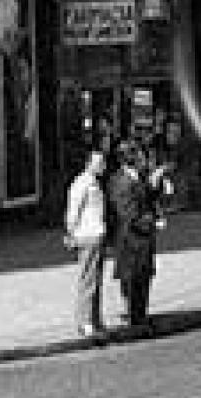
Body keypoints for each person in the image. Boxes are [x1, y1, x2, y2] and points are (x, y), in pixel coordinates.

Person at [110, 144, 161, 337]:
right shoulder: (121, 181)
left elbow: (147, 198)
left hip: (142, 239)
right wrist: (151, 222)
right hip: (131, 240)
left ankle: (141, 316)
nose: (144, 161)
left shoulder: (137, 178)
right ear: (130, 159)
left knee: (143, 277)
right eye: (140, 157)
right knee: (133, 280)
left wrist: (156, 185)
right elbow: (128, 213)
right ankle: (134, 319)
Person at [64, 149, 110, 343]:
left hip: (96, 234)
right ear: (88, 163)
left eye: (103, 162)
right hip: (86, 235)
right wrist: (71, 232)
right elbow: (73, 210)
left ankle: (95, 318)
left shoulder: (95, 183)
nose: (102, 166)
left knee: (96, 279)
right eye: (98, 162)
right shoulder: (81, 183)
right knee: (87, 280)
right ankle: (85, 321)